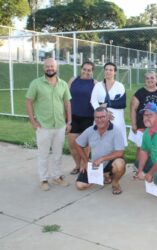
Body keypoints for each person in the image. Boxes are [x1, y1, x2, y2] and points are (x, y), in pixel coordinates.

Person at [25, 58, 71, 191]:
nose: (50, 68)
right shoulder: (36, 83)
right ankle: (43, 179)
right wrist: (33, 121)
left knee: (58, 153)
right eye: (47, 66)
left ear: (56, 68)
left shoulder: (63, 84)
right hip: (43, 126)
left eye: (52, 66)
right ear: (43, 68)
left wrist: (69, 121)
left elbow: (67, 103)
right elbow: (29, 101)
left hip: (60, 125)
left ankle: (57, 177)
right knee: (43, 154)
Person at [75, 107, 126, 194]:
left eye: (102, 117)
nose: (100, 120)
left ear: (108, 117)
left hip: (110, 163)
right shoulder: (90, 130)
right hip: (95, 164)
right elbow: (78, 144)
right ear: (94, 118)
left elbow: (120, 152)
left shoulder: (116, 131)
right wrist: (85, 161)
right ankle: (102, 175)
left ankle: (115, 183)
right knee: (80, 185)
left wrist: (102, 158)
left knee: (120, 164)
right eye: (97, 117)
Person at [129, 71, 157, 163]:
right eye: (147, 78)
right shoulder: (140, 92)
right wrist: (134, 124)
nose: (150, 80)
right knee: (141, 147)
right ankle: (138, 168)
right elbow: (133, 109)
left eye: (152, 78)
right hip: (143, 125)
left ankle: (154, 168)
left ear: (156, 79)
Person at [67, 61, 96, 175]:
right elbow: (66, 99)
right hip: (73, 117)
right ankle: (77, 166)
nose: (86, 72)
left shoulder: (95, 83)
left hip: (88, 118)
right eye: (84, 69)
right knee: (72, 144)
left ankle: (85, 166)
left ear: (92, 72)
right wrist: (66, 117)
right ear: (81, 69)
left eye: (89, 70)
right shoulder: (73, 80)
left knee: (85, 145)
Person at [90, 62, 127, 148]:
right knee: (100, 145)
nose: (108, 72)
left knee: (116, 147)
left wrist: (106, 104)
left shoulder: (120, 86)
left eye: (111, 70)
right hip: (101, 119)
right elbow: (93, 100)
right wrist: (103, 113)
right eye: (106, 70)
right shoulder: (98, 86)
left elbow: (122, 103)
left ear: (115, 72)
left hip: (116, 119)